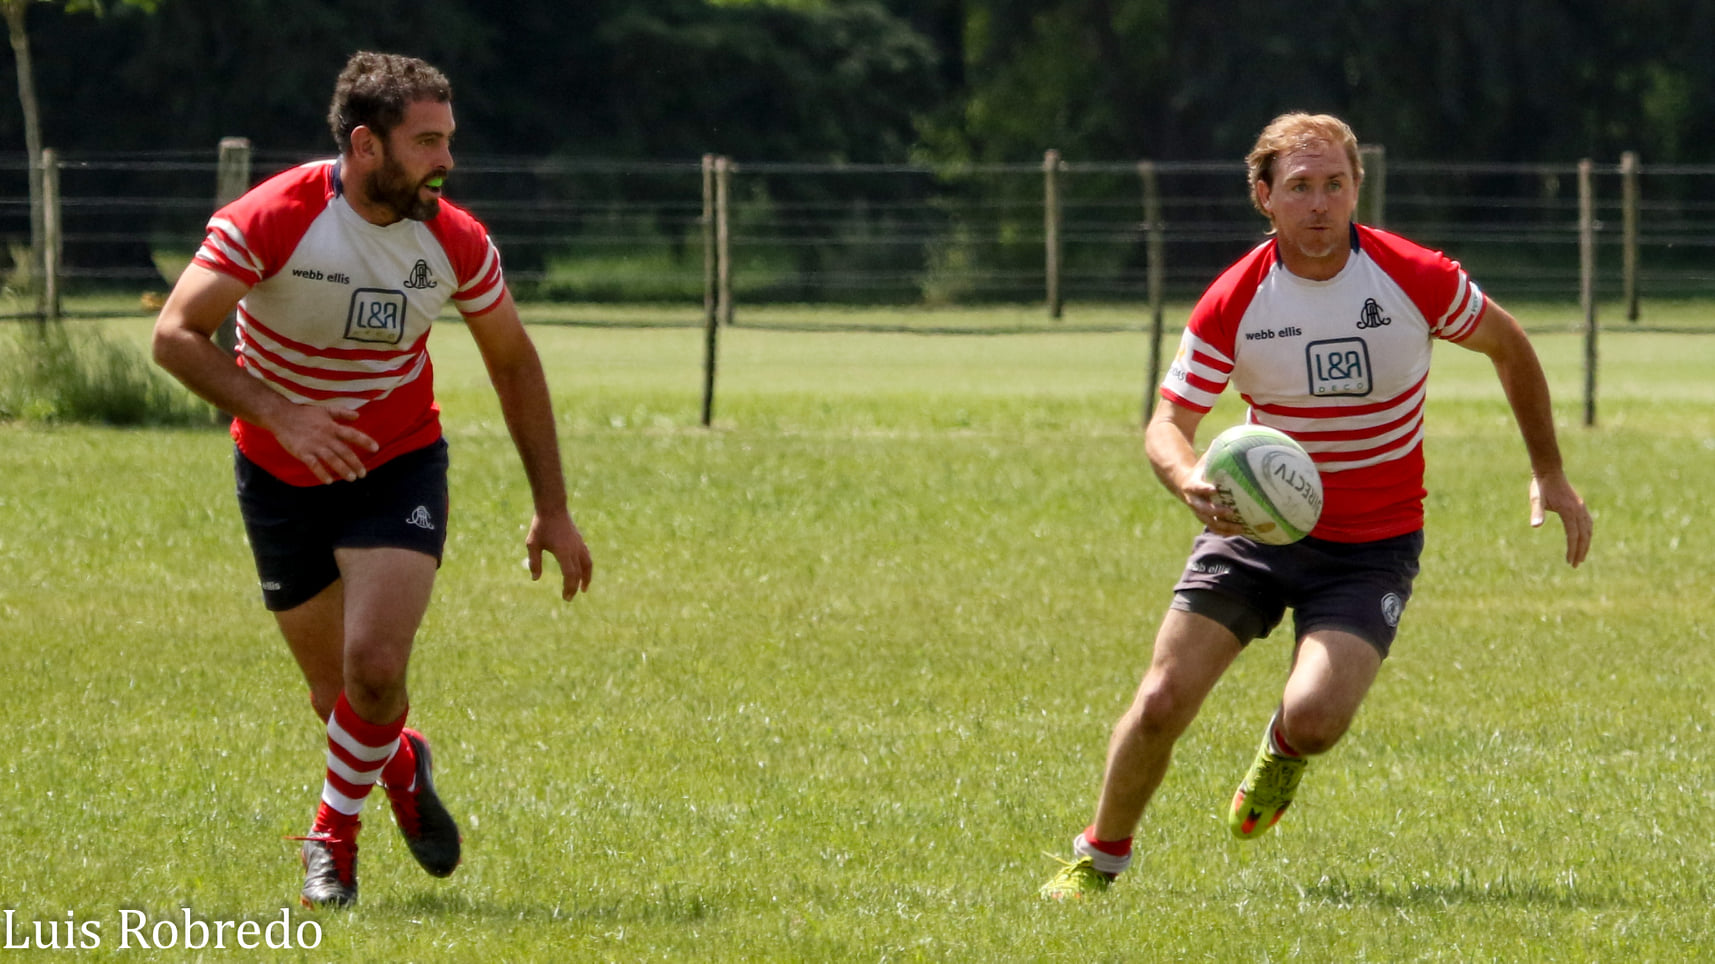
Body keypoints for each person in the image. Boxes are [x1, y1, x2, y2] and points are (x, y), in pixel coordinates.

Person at [1040, 112, 1592, 899]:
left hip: (1370, 546)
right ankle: (1098, 856)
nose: (1319, 204)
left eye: (1335, 184)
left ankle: (1283, 751)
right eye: (1299, 187)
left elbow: (1509, 344)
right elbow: (1167, 423)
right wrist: (1190, 479)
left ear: (1355, 188)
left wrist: (1549, 471)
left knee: (1316, 718)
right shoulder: (1235, 298)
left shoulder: (1413, 276)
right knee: (1161, 701)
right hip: (1253, 532)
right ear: (1264, 197)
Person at [152, 51, 593, 909]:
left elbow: (513, 362)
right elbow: (175, 335)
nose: (447, 161)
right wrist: (280, 412)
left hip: (396, 465)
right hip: (278, 472)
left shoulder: (454, 240)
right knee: (338, 695)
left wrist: (554, 508)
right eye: (427, 142)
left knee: (375, 667)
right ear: (365, 145)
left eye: (448, 140)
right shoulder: (275, 216)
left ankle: (331, 840)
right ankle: (399, 765)